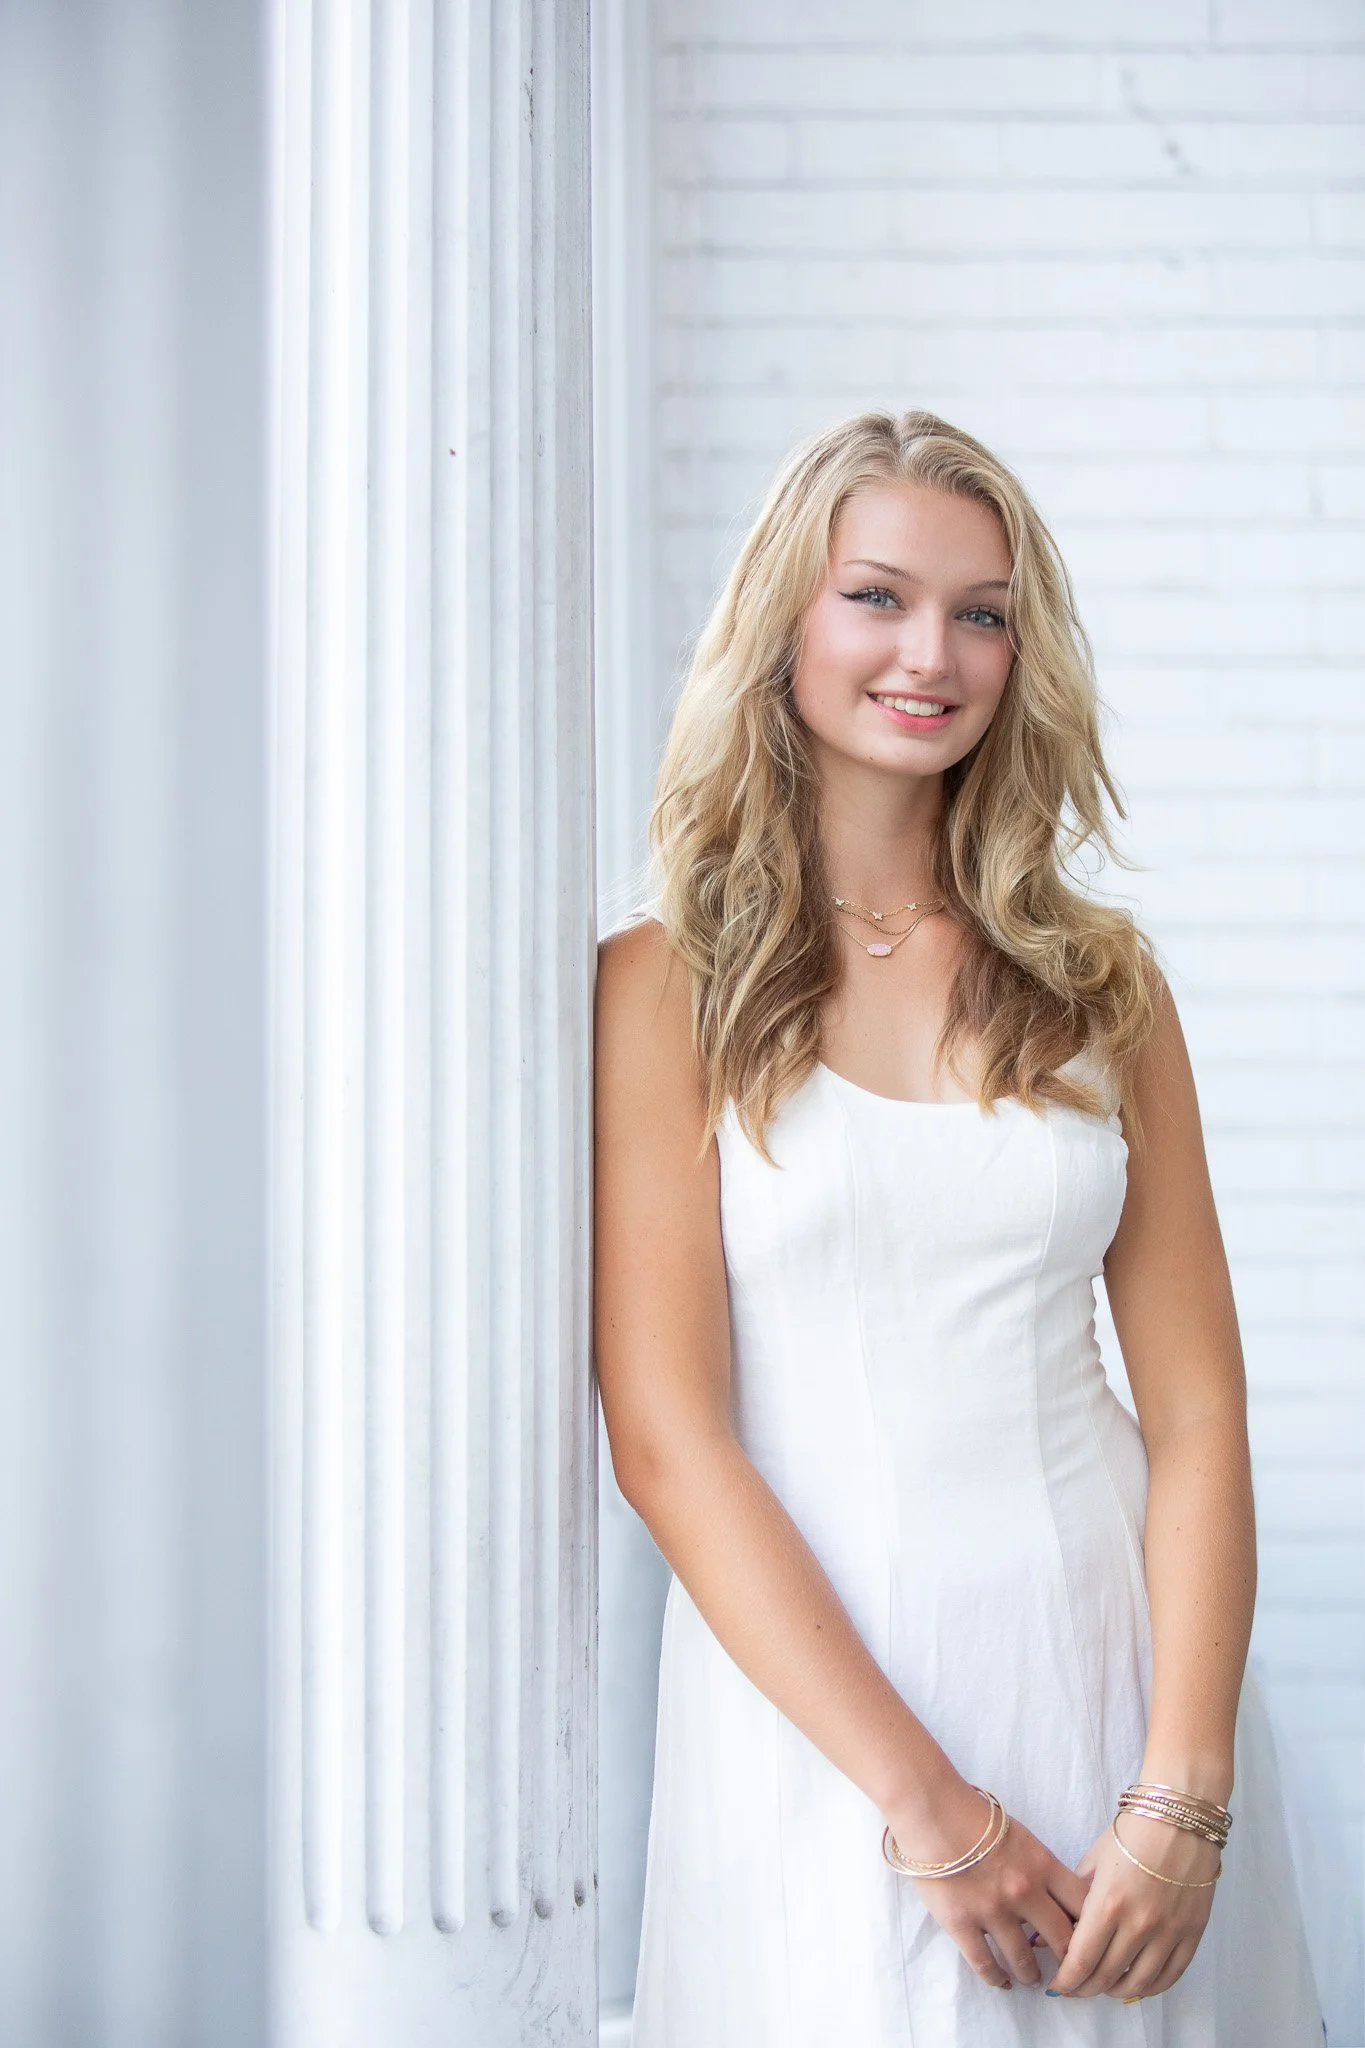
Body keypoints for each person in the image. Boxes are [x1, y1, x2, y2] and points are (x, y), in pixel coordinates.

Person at [593, 411, 1324, 2042]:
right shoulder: (658, 988)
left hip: (1118, 1685)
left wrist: (1185, 1788)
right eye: (879, 597)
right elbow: (666, 1440)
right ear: (783, 617)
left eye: (983, 612)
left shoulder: (1102, 985)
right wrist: (929, 1806)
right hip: (823, 1729)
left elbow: (1197, 1408)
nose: (934, 653)